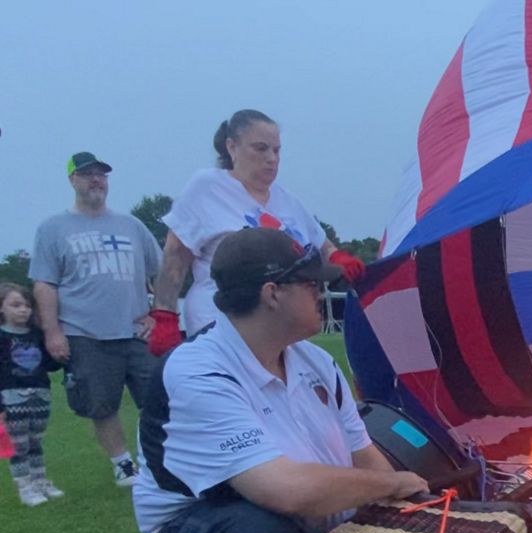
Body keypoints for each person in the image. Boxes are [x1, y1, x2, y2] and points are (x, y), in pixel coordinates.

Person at [131, 227, 430, 533]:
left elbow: (364, 456)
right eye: (310, 284)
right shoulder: (199, 373)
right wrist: (390, 485)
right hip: (200, 524)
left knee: (400, 485)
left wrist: (405, 504)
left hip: (293, 510)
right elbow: (283, 491)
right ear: (272, 293)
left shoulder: (316, 362)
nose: (322, 290)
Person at [147, 109, 365, 356]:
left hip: (280, 329)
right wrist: (165, 315)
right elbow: (175, 256)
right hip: (222, 323)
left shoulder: (287, 201)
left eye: (277, 150)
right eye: (261, 149)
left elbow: (323, 246)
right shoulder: (208, 188)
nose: (272, 158)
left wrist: (339, 259)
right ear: (232, 147)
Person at [29, 152, 162, 487]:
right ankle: (123, 465)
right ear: (72, 179)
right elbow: (45, 284)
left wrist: (159, 312)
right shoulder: (53, 228)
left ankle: (161, 459)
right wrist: (52, 332)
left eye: (101, 174)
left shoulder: (131, 225)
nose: (96, 180)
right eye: (87, 174)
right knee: (101, 403)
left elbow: (162, 271)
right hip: (84, 333)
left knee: (160, 396)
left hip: (137, 330)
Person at [0, 283, 63, 506]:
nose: (23, 310)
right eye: (16, 305)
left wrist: (60, 356)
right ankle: (25, 486)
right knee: (19, 444)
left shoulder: (37, 334)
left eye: (27, 305)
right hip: (11, 396)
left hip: (40, 393)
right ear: (2, 308)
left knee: (36, 441)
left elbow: (48, 363)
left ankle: (40, 481)